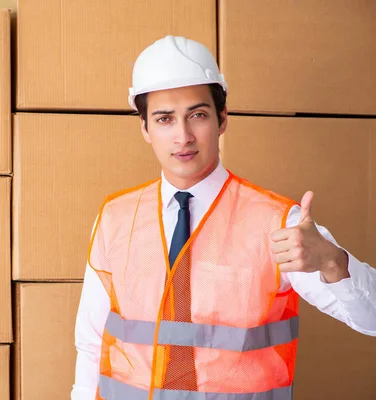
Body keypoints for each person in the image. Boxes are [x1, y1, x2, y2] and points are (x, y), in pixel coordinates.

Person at [71, 36, 376, 400]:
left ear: (222, 119)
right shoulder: (114, 219)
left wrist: (331, 260)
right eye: (165, 119)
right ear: (145, 129)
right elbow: (91, 345)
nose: (183, 136)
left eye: (197, 115)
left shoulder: (280, 224)